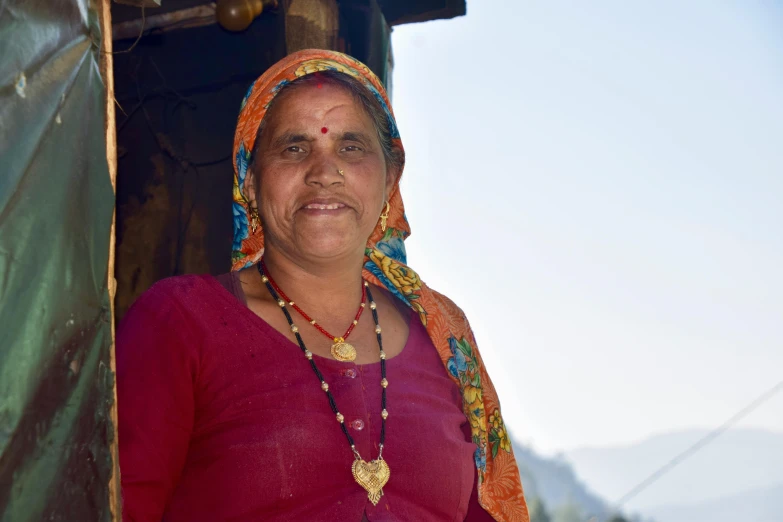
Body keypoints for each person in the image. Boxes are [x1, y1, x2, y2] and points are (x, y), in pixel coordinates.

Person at [117, 49, 529, 522]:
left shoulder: (444, 335)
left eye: (351, 147)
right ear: (250, 181)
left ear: (390, 178)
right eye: (294, 148)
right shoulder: (181, 322)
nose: (323, 172)